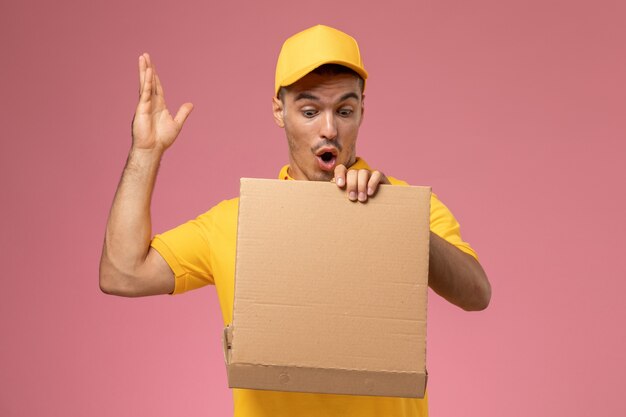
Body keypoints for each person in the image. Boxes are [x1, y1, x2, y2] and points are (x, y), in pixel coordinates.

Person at [100, 24, 491, 417]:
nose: (329, 129)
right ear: (279, 111)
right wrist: (146, 151)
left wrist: (395, 221)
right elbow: (123, 273)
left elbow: (477, 294)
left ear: (362, 111)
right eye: (309, 111)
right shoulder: (237, 221)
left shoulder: (406, 206)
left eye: (345, 110)